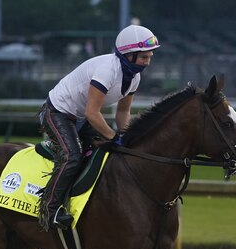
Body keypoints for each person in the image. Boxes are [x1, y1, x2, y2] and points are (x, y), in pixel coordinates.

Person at [37, 24, 160, 231]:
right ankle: (50, 211)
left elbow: (123, 113)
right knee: (73, 156)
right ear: (129, 55)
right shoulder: (107, 71)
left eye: (149, 57)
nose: (147, 62)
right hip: (57, 113)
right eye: (144, 57)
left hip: (80, 117)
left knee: (106, 154)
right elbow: (92, 113)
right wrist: (113, 137)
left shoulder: (134, 78)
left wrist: (126, 138)